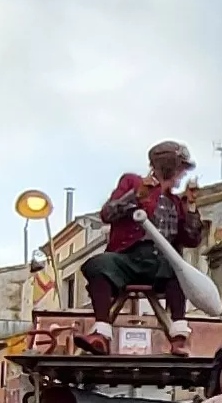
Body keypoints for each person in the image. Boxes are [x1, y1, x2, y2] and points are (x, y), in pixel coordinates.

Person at [81, 141, 208, 351]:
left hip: (162, 263)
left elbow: (192, 239)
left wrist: (191, 207)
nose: (182, 175)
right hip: (128, 257)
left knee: (180, 270)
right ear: (172, 167)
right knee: (98, 265)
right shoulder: (132, 183)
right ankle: (101, 332)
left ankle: (178, 338)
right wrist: (135, 196)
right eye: (181, 169)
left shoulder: (177, 203)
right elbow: (108, 214)